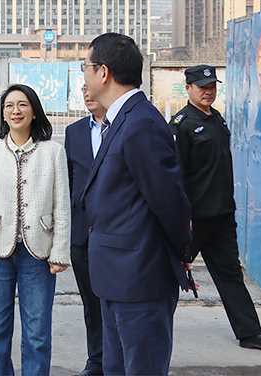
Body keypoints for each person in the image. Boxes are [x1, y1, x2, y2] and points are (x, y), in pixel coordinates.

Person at [81, 33, 192, 375]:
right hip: (115, 278)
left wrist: (182, 252)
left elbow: (169, 201)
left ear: (103, 72)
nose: (84, 75)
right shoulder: (121, 118)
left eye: (85, 67)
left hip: (140, 279)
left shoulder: (141, 122)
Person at [0, 84, 70, 376]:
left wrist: (60, 252)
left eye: (22, 104)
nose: (15, 111)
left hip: (38, 253)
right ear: (2, 113)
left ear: (34, 112)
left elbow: (62, 205)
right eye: (9, 105)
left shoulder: (53, 152)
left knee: (37, 333)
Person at [169, 65, 261, 352]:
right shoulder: (181, 125)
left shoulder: (216, 118)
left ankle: (250, 333)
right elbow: (176, 176)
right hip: (195, 219)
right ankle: (149, 331)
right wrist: (182, 217)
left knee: (230, 275)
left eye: (212, 86)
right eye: (202, 87)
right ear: (188, 89)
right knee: (168, 276)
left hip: (222, 215)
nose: (208, 91)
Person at [64, 85, 107, 376]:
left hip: (116, 233)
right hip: (82, 233)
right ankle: (97, 360)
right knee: (91, 304)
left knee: (117, 303)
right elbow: (68, 181)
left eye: (92, 88)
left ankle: (120, 358)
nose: (87, 94)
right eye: (83, 89)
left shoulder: (124, 127)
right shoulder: (74, 131)